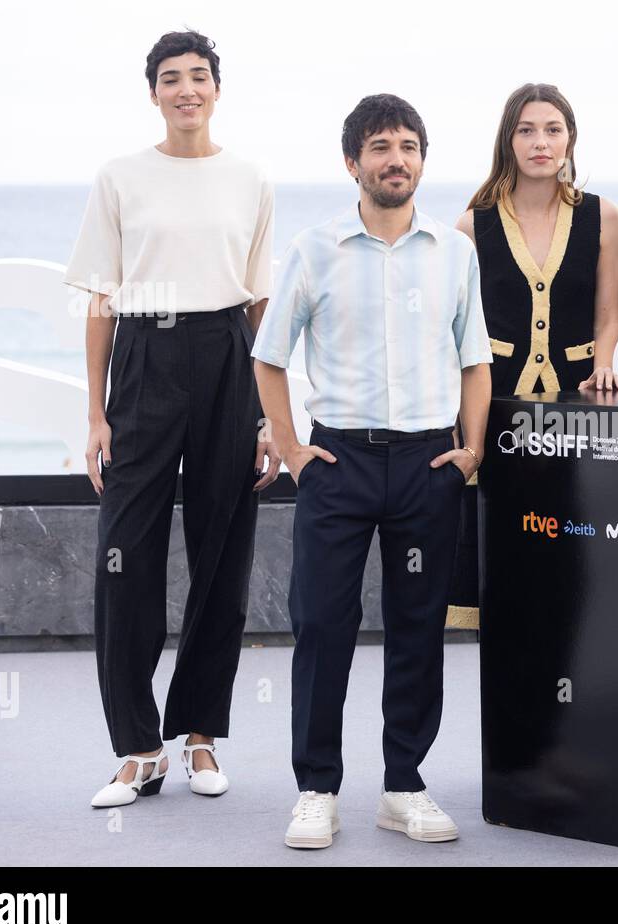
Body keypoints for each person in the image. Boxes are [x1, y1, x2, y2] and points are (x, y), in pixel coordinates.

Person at [251, 94, 492, 849]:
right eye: (381, 146)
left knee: (419, 627)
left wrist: (472, 450)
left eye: (409, 146)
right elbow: (269, 354)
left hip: (428, 463)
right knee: (322, 623)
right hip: (338, 461)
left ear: (423, 159)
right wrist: (291, 449)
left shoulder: (453, 251)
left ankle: (404, 786)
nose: (397, 159)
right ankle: (316, 788)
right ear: (352, 162)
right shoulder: (314, 247)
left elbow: (475, 358)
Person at [66, 30, 277, 808]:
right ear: (152, 93)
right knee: (127, 554)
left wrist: (264, 416)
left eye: (198, 76)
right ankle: (137, 747)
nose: (185, 88)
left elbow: (259, 305)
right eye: (169, 78)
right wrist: (95, 412)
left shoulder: (250, 178)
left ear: (217, 88)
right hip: (145, 355)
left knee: (222, 552)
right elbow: (100, 300)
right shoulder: (121, 177)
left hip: (227, 354)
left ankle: (198, 735)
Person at [445, 82, 618, 628]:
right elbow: (457, 330)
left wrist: (605, 362)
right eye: (526, 130)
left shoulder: (603, 217)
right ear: (509, 140)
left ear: (571, 140)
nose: (540, 142)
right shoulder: (473, 223)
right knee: (501, 544)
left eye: (552, 130)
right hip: (495, 405)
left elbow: (608, 313)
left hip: (577, 403)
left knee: (571, 540)